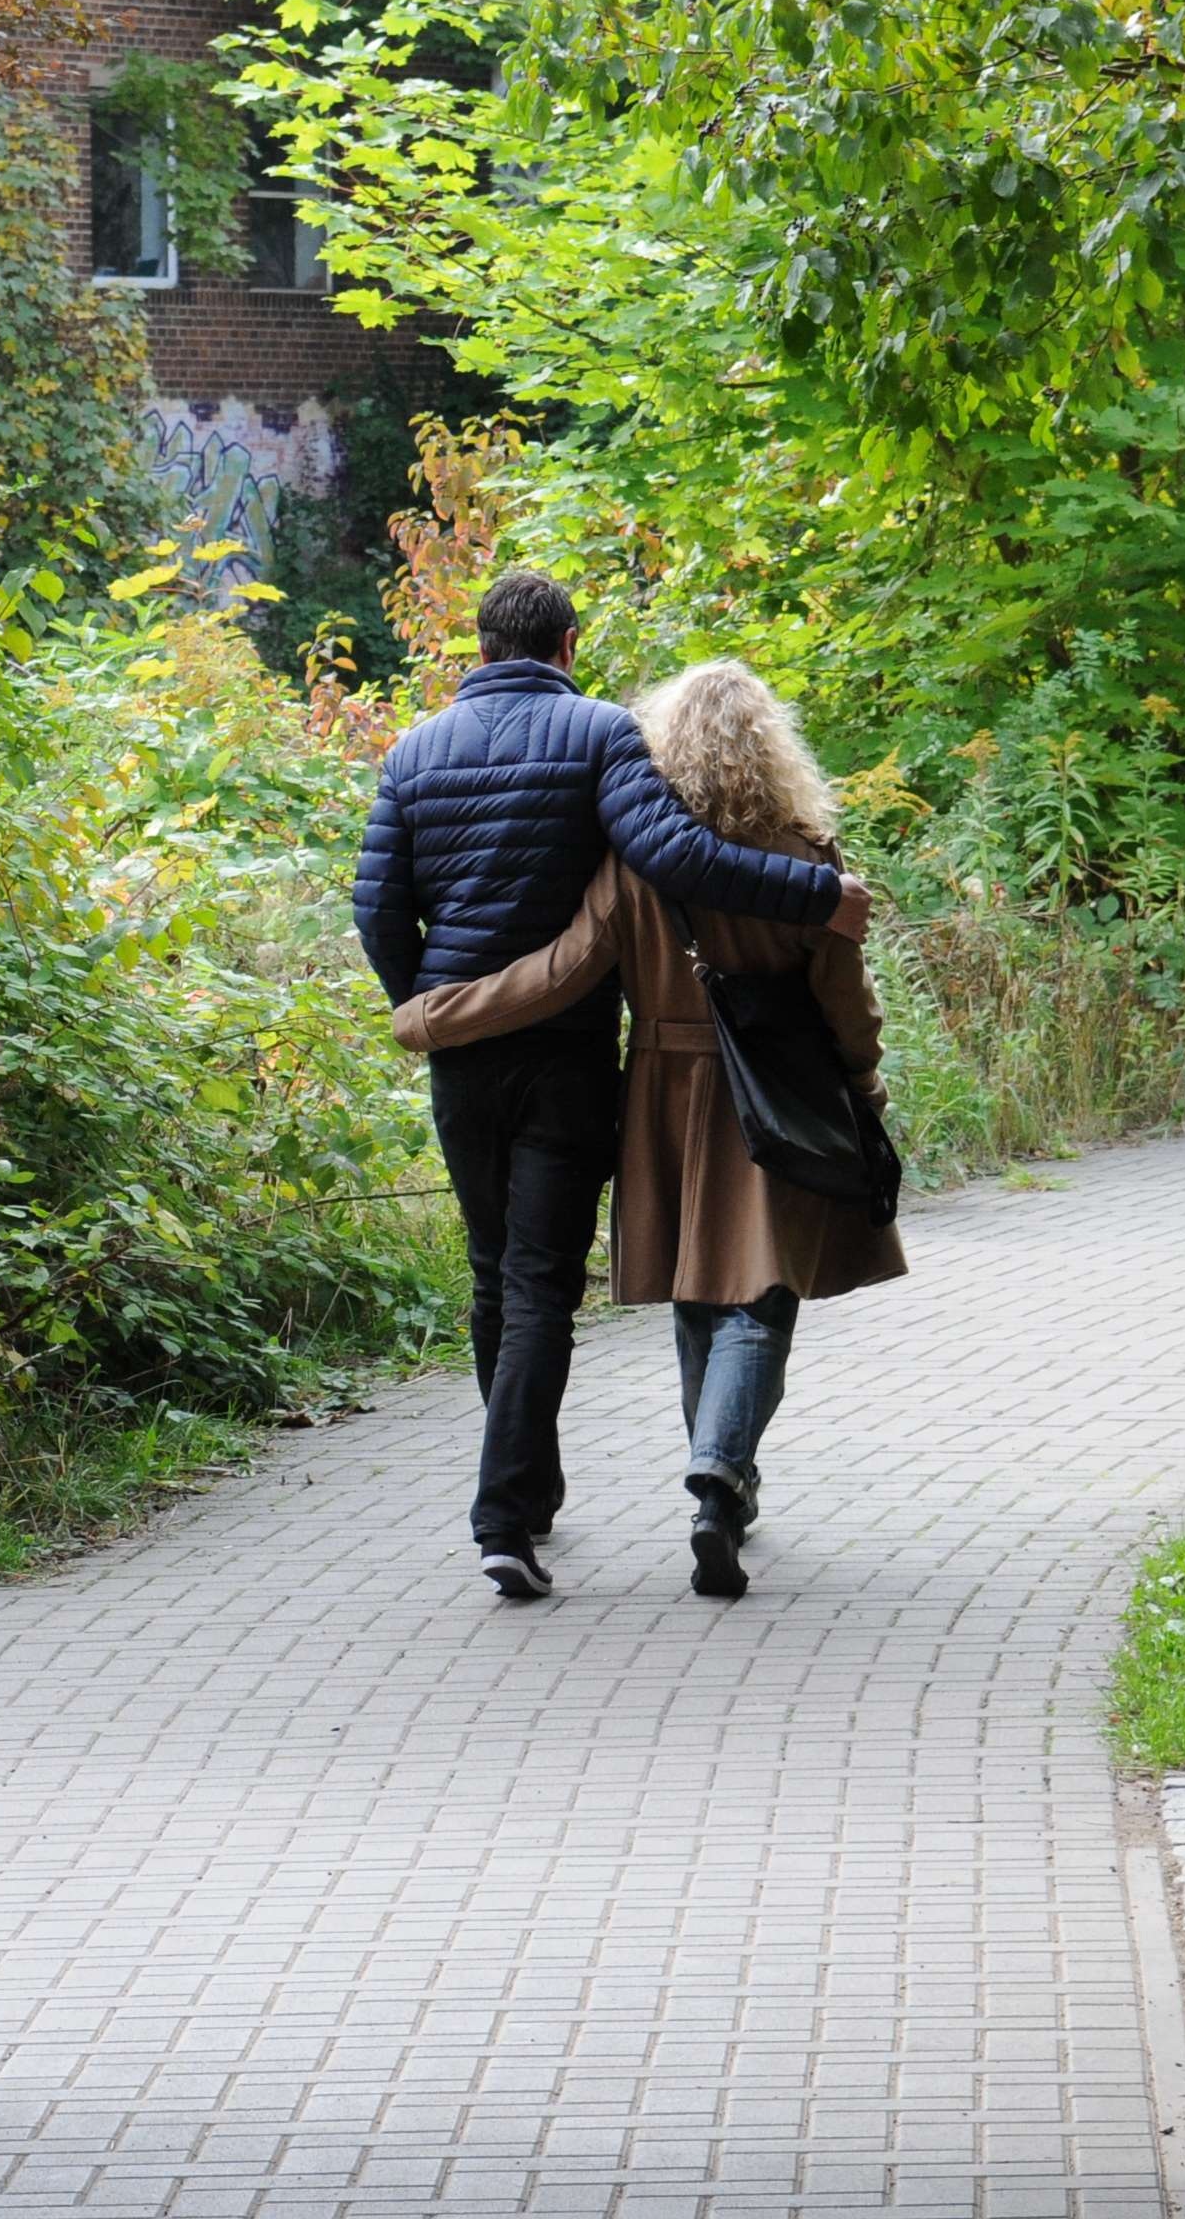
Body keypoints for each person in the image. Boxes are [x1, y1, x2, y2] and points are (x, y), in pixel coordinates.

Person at [356, 574, 873, 1602]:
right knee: (554, 1279)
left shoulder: (411, 751)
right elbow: (677, 856)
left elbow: (380, 907)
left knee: (496, 1270)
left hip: (499, 1054)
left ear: (480, 643)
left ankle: (525, 1502)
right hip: (583, 1055)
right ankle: (561, 1503)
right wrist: (823, 894)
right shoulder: (596, 734)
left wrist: (427, 1002)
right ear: (567, 642)